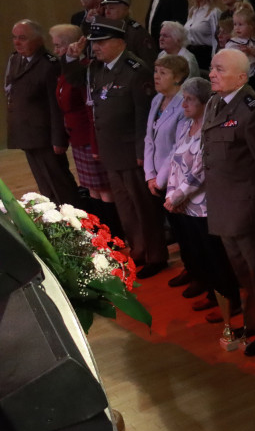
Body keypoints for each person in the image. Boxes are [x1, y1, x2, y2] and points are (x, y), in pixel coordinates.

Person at [63, 18, 168, 278]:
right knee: (126, 208)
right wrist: (70, 58)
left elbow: (143, 117)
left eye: (101, 42)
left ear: (119, 42)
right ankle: (139, 251)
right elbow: (76, 78)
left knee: (144, 207)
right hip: (112, 153)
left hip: (132, 154)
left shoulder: (135, 70)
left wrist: (142, 154)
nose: (95, 47)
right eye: (94, 42)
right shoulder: (99, 68)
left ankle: (156, 255)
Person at [202, 49, 255, 355]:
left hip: (248, 207)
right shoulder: (214, 102)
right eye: (212, 68)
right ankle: (253, 320)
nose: (212, 74)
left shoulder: (253, 110)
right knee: (242, 271)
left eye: (219, 69)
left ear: (241, 76)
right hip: (223, 204)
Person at [163, 77, 241, 324]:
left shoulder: (209, 129)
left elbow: (200, 172)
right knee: (197, 253)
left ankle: (229, 300)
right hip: (183, 204)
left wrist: (177, 196)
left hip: (203, 205)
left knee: (214, 256)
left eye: (190, 100)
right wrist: (172, 195)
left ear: (205, 103)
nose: (184, 105)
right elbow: (176, 162)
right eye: (183, 99)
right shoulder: (187, 126)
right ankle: (210, 292)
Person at [5, 19, 78, 206]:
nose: (17, 42)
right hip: (27, 134)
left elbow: (55, 106)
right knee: (45, 186)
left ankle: (76, 221)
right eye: (15, 38)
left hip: (45, 136)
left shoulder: (49, 64)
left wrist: (58, 139)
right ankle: (57, 222)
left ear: (38, 40)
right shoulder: (15, 60)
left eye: (23, 38)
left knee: (59, 184)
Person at [49, 23, 113, 215]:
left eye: (58, 45)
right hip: (77, 138)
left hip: (89, 137)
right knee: (92, 188)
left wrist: (94, 144)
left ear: (71, 45)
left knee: (104, 188)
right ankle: (103, 229)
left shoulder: (84, 70)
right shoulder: (66, 71)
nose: (55, 50)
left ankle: (114, 231)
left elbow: (88, 108)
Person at [144, 55, 188, 208]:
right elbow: (149, 138)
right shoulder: (157, 99)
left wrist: (160, 180)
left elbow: (178, 146)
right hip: (155, 178)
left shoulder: (185, 104)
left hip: (175, 178)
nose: (156, 76)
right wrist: (150, 175)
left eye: (163, 73)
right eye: (156, 71)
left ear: (177, 78)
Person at [101, 0, 158, 67]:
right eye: (106, 8)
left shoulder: (136, 33)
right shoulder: (106, 30)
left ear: (125, 9)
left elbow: (149, 63)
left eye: (111, 8)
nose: (107, 12)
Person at [184, 0, 221, 70]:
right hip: (191, 53)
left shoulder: (213, 12)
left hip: (205, 56)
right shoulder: (193, 11)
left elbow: (216, 40)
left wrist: (215, 61)